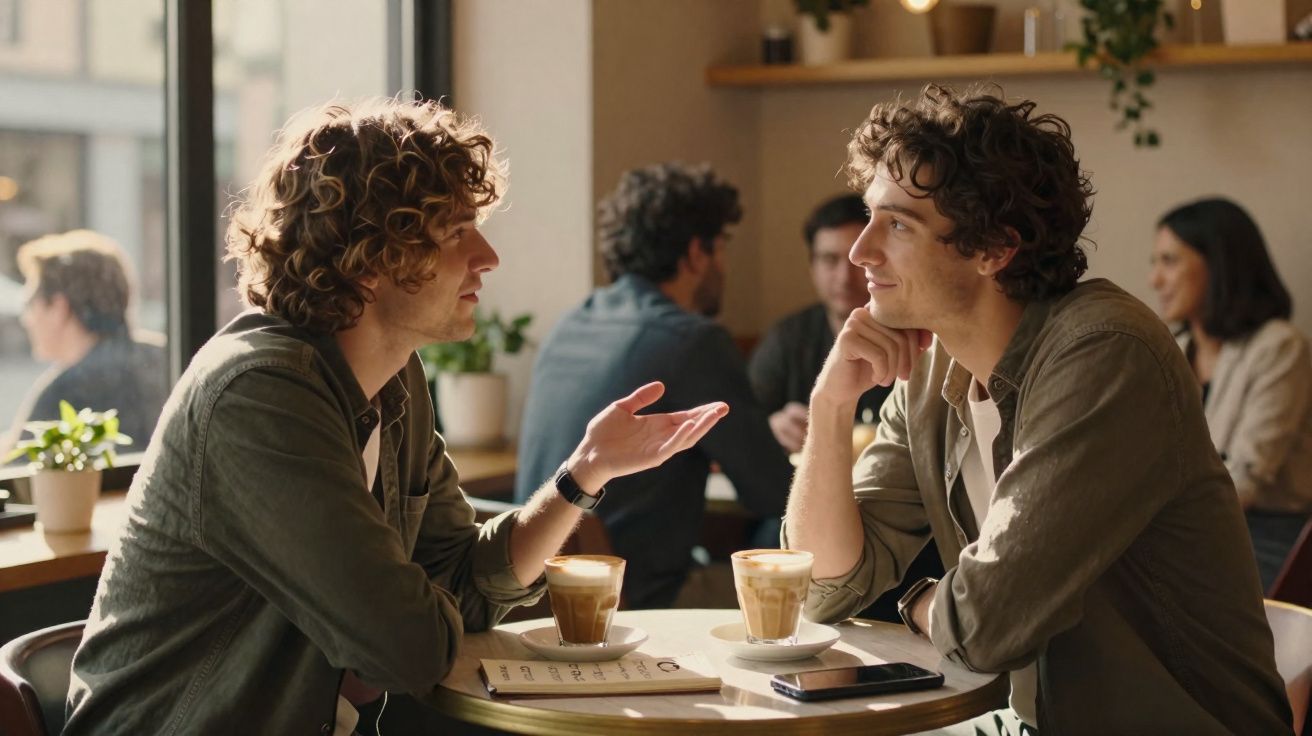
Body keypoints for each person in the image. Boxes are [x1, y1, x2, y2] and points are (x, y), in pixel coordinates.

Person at [63, 99, 728, 736]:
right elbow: (407, 650)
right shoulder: (261, 397)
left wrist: (587, 471)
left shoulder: (394, 380)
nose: (488, 258)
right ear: (372, 256)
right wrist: (410, 600)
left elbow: (464, 582)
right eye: (456, 233)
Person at [783, 85, 1291, 734]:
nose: (861, 253)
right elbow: (826, 587)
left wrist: (914, 601)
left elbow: (985, 627)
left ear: (995, 247)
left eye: (899, 224)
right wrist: (831, 406)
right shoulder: (934, 370)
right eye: (869, 215)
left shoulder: (1105, 353)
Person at [516, 162, 793, 609]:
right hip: (635, 605)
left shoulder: (570, 324)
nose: (723, 263)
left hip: (535, 599)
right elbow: (773, 491)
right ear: (696, 252)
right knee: (803, 577)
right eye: (720, 245)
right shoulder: (694, 341)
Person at [1151, 197, 1312, 590]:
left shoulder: (1279, 346)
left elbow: (1247, 478)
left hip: (1269, 538)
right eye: (1154, 263)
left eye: (1170, 261)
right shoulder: (1171, 350)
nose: (1156, 279)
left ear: (1218, 264)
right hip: (1192, 533)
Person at [749, 193, 891, 453]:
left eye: (855, 261)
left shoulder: (919, 337)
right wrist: (772, 426)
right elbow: (745, 422)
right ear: (812, 267)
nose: (844, 277)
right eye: (829, 260)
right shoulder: (787, 338)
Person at [5, 230, 167, 456]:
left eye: (30, 305)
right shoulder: (168, 358)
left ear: (59, 307)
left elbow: (19, 474)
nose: (26, 319)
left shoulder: (65, 392)